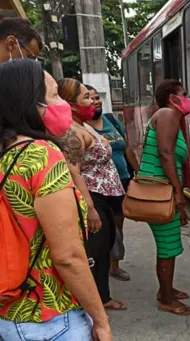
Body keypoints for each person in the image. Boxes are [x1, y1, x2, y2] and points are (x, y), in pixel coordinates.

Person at [0, 59, 112, 341]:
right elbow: (68, 257)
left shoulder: (5, 152)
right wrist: (100, 320)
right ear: (31, 104)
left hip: (8, 312)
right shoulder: (41, 155)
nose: (62, 104)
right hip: (49, 317)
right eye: (53, 96)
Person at [57, 78, 127, 311]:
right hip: (93, 198)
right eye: (85, 98)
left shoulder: (84, 124)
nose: (93, 102)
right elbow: (73, 170)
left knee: (104, 247)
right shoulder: (72, 131)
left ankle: (103, 297)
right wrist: (90, 208)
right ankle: (90, 304)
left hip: (104, 197)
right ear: (70, 104)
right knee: (94, 252)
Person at [137, 79, 190, 316]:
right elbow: (165, 153)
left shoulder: (166, 116)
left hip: (160, 189)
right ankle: (166, 299)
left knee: (168, 243)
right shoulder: (169, 114)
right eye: (184, 94)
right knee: (167, 246)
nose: (188, 98)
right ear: (172, 98)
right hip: (161, 192)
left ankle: (166, 290)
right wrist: (178, 191)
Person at [86, 84, 139, 281]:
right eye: (89, 98)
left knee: (117, 227)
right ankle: (97, 268)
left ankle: (114, 266)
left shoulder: (111, 120)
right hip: (98, 188)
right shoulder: (82, 127)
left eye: (97, 97)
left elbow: (126, 148)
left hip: (121, 182)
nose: (95, 101)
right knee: (100, 229)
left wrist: (138, 173)